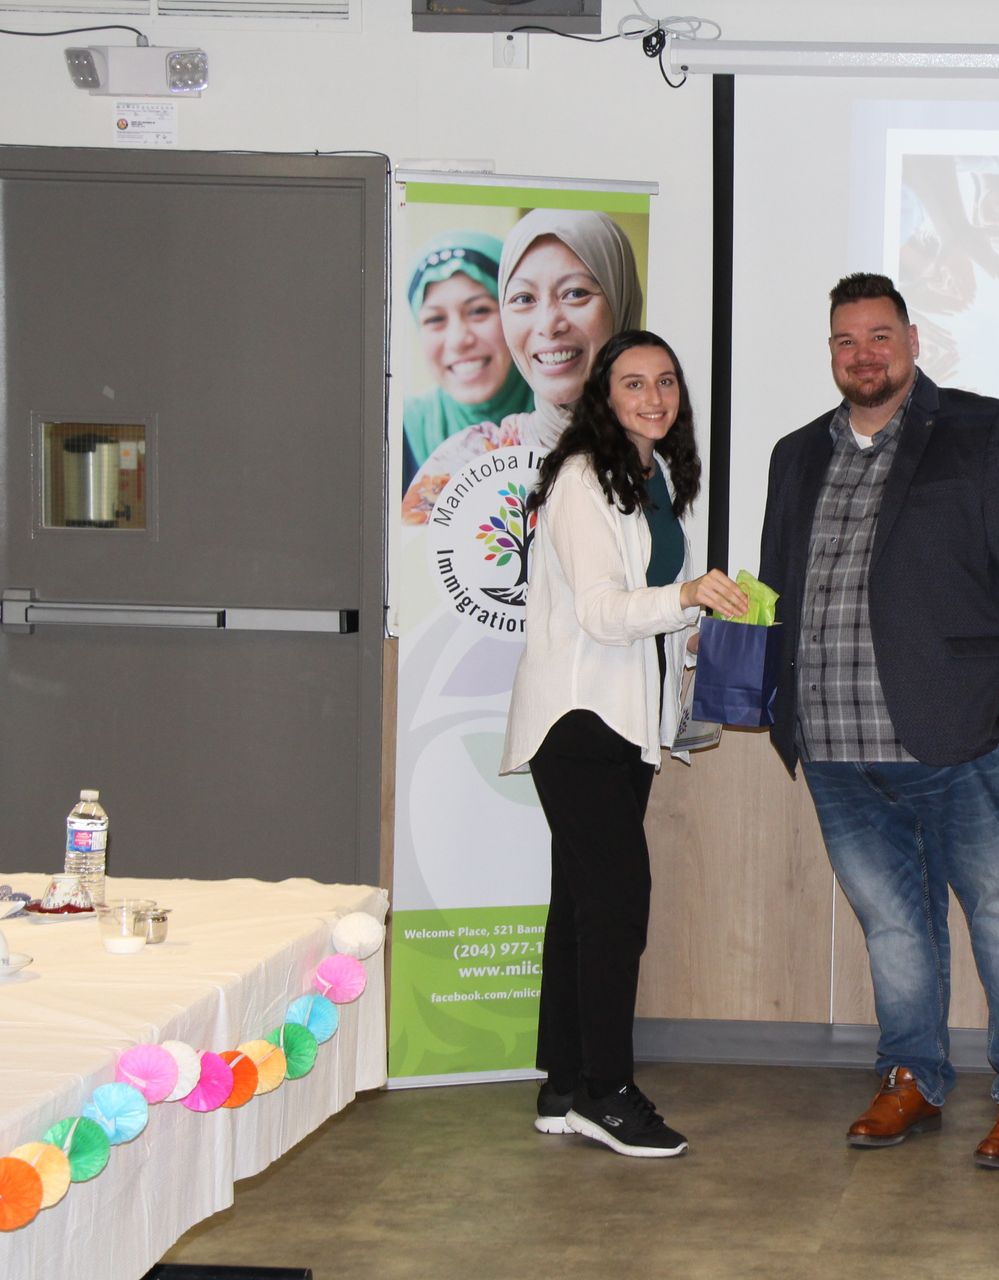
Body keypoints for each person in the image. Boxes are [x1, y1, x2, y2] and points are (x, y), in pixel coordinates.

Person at [757, 272, 999, 1169]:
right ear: (831, 353)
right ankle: (912, 1080)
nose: (863, 355)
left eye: (879, 336)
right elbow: (780, 582)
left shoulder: (983, 428)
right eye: (845, 341)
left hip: (967, 731)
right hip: (834, 743)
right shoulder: (794, 454)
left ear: (912, 340)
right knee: (892, 924)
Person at [499, 330, 747, 1158]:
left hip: (626, 720)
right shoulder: (581, 478)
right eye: (634, 383)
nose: (654, 397)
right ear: (604, 395)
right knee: (616, 907)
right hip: (578, 719)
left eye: (666, 382)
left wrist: (693, 626)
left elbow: (643, 611)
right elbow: (605, 612)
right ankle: (607, 1091)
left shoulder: (656, 475)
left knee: (581, 903)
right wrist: (684, 594)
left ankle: (564, 1081)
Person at [403, 210, 643, 523]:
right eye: (523, 298)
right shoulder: (460, 460)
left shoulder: (668, 442)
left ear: (619, 298)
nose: (547, 325)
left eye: (576, 293)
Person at [398, 230, 536, 495]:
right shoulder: (398, 431)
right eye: (435, 320)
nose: (458, 340)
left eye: (479, 311)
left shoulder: (574, 422)